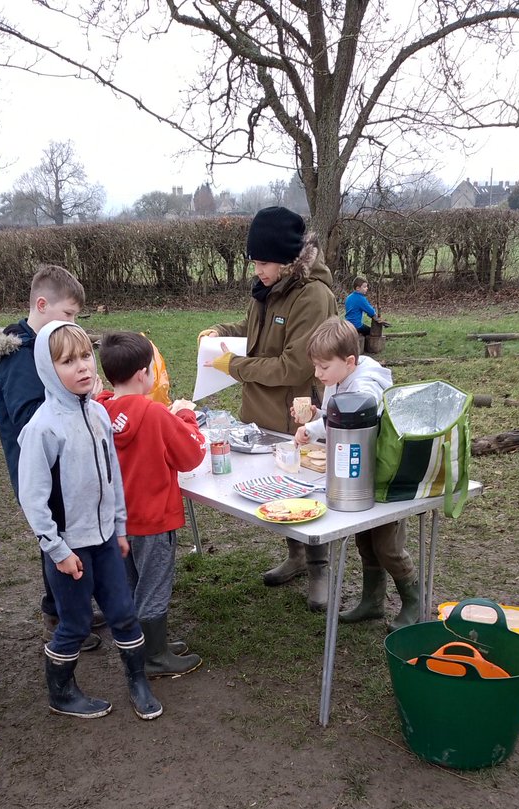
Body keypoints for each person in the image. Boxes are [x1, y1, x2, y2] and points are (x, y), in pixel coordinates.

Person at [17, 321, 163, 721]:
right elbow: (32, 498)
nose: (82, 366)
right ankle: (61, 692)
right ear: (48, 369)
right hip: (70, 548)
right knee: (77, 623)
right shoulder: (43, 429)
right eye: (67, 361)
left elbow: (112, 476)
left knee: (124, 612)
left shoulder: (98, 413)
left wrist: (119, 528)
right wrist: (57, 549)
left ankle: (138, 681)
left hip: (105, 540)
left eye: (85, 356)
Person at [199, 205, 338, 611]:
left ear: (287, 260)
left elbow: (295, 365)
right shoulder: (266, 287)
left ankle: (319, 568)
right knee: (278, 488)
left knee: (305, 490)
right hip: (261, 413)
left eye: (264, 262)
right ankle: (296, 556)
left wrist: (235, 367)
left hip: (297, 416)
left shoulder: (313, 296)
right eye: (255, 262)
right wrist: (221, 333)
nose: (258, 270)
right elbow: (253, 332)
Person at [0, 264, 100, 651]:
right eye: (68, 314)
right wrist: (84, 398)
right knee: (57, 534)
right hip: (41, 468)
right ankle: (61, 618)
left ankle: (69, 606)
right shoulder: (21, 358)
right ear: (42, 305)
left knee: (66, 530)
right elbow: (30, 417)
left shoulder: (42, 347)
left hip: (59, 462)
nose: (72, 324)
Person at [294, 317, 419, 631]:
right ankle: (372, 602)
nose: (317, 373)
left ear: (349, 361)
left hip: (384, 476)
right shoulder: (339, 376)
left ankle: (415, 602)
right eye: (316, 366)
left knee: (388, 546)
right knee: (365, 541)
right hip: (357, 476)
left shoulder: (366, 386)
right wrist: (316, 418)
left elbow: (351, 419)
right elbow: (335, 415)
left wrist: (315, 427)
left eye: (323, 367)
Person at [95, 331, 206, 678]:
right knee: (154, 587)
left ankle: (143, 645)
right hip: (155, 520)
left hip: (117, 522)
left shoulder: (99, 409)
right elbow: (191, 454)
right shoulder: (155, 414)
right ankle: (155, 658)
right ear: (144, 373)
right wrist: (186, 416)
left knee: (132, 584)